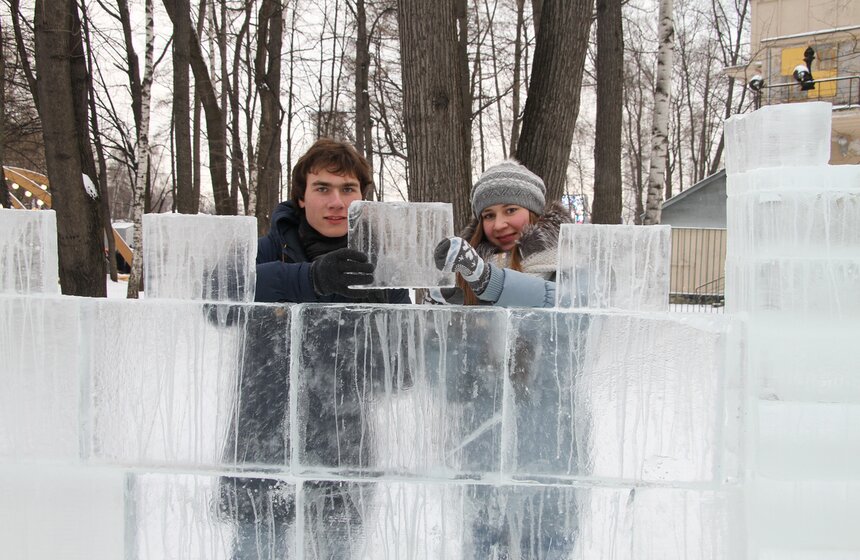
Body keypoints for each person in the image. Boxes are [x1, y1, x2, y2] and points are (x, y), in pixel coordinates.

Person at [219, 138, 410, 560]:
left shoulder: (382, 264)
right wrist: (309, 279)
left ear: (363, 197)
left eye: (348, 189)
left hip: (343, 453)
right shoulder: (267, 248)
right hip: (261, 449)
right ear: (301, 197)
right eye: (322, 188)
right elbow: (217, 301)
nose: (336, 202)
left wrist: (379, 324)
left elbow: (402, 372)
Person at [431, 159, 573, 308]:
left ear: (534, 212)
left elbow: (570, 309)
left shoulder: (569, 259)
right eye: (489, 216)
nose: (498, 225)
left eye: (510, 210)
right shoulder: (463, 274)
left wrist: (489, 281)